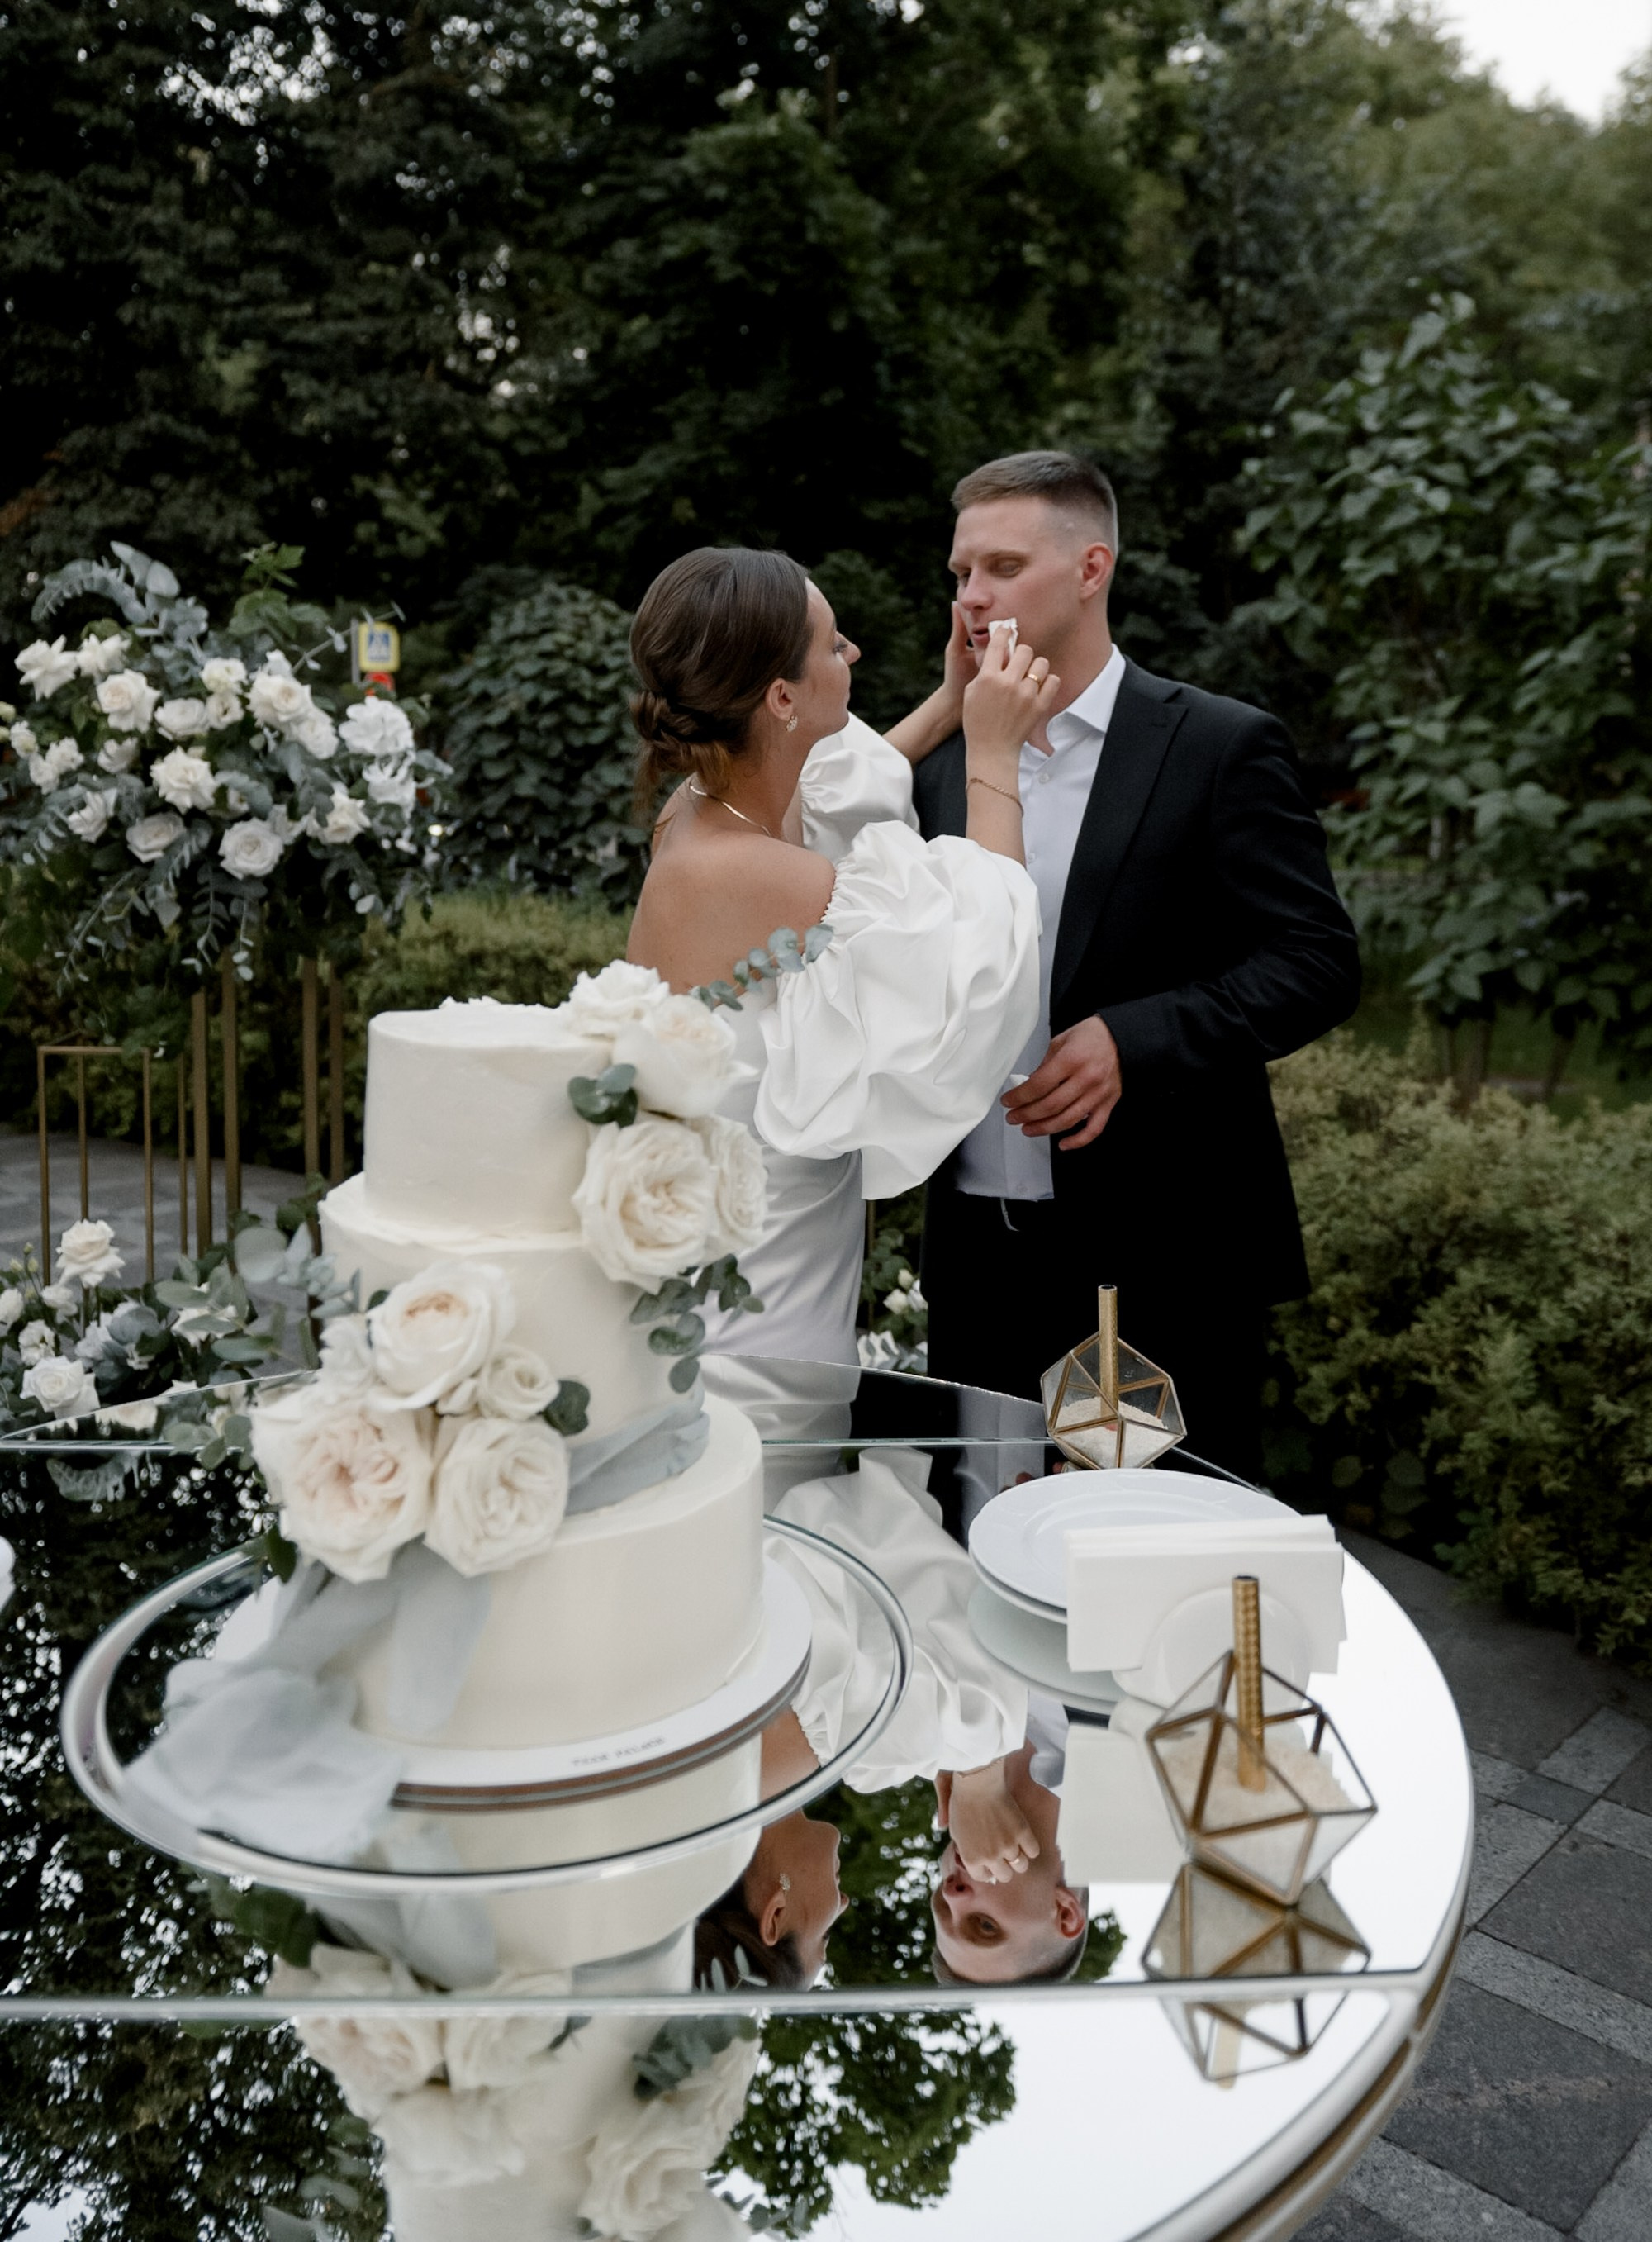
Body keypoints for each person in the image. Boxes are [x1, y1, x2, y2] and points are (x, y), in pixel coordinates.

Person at [910, 451, 1362, 1482]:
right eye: (958, 573)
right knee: (968, 1550)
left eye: (1001, 565)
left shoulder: (1215, 745)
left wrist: (1135, 1035)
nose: (971, 596)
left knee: (1152, 1571)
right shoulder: (942, 764)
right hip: (976, 1256)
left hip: (1162, 1258)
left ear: (1090, 568)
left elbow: (1317, 961)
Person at [626, 544, 1042, 1366]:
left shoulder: (703, 807)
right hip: (760, 1291)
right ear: (781, 695)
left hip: (750, 1236)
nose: (850, 652)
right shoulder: (753, 873)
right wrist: (994, 753)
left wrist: (950, 704)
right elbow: (984, 954)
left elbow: (826, 785)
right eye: (833, 642)